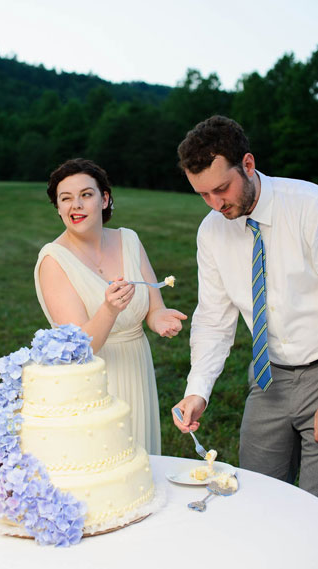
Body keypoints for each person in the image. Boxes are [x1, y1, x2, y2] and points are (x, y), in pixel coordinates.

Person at [171, 115, 318, 495]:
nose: (214, 203)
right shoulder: (212, 231)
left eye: (221, 188)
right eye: (202, 194)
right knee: (256, 494)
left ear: (248, 165)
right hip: (269, 377)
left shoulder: (308, 206)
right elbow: (214, 319)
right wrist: (197, 390)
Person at [35, 158, 187, 454]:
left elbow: (154, 308)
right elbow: (79, 348)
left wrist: (161, 319)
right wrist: (108, 309)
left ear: (104, 199)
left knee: (141, 464)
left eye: (86, 195)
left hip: (136, 367)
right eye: (65, 199)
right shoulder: (54, 261)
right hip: (94, 383)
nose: (75, 205)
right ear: (58, 208)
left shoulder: (129, 240)